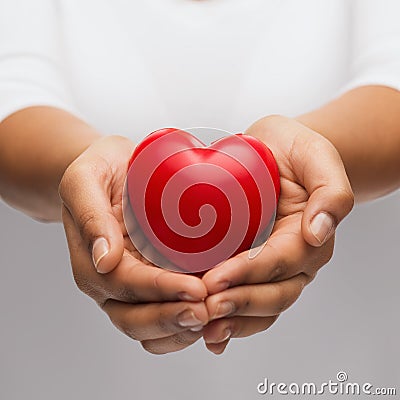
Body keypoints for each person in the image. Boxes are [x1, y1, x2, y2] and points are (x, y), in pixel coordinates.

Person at [0, 0, 399, 356]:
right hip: (60, 358)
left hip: (338, 353)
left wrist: (312, 159)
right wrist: (85, 174)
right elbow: (12, 91)